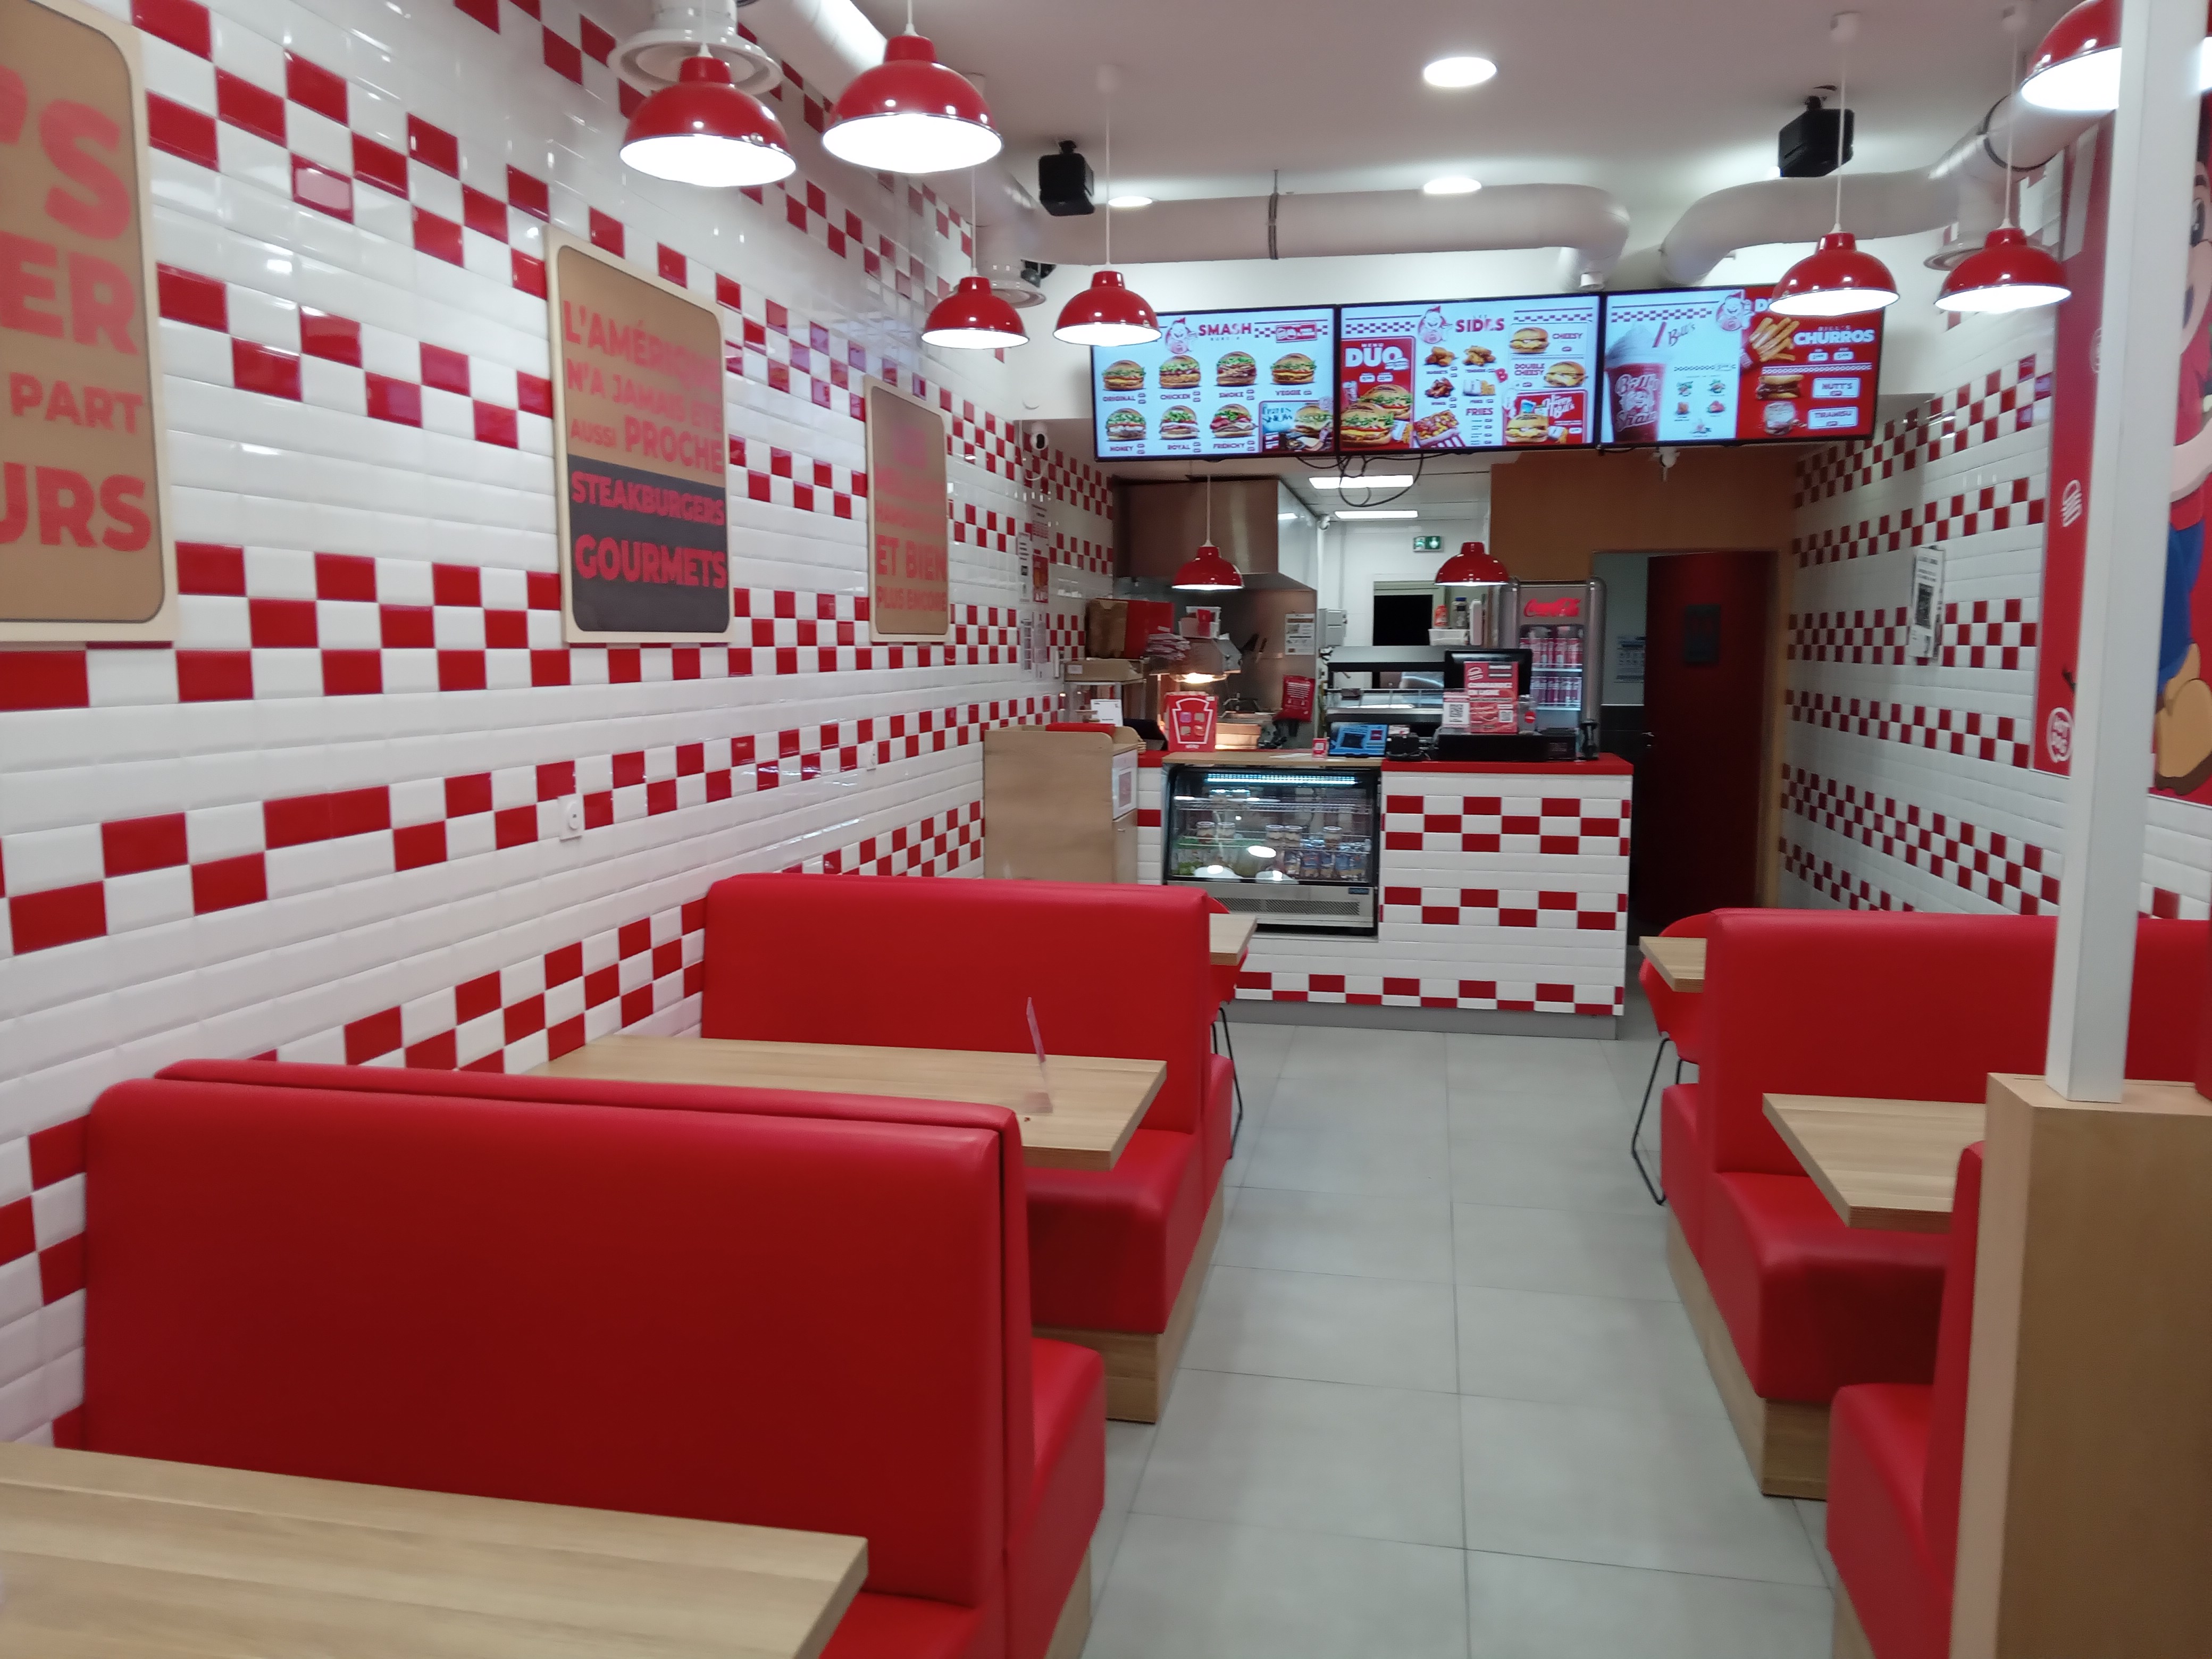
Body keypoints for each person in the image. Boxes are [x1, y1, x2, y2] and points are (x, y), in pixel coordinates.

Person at [2156, 103, 2212, 794]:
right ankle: (2178, 698)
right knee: (2169, 648)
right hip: (2169, 523)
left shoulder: (2194, 358)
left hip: (2189, 519)